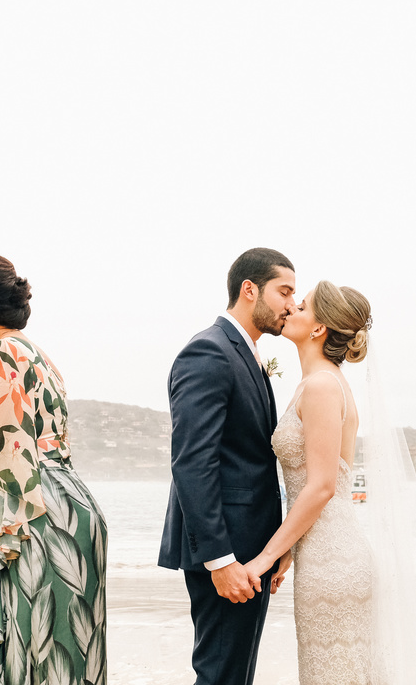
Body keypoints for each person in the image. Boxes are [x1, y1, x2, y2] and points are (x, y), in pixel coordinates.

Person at [0, 252, 108, 685]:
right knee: (68, 655)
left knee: (30, 652)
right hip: (72, 507)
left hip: (34, 516)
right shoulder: (36, 353)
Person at [158, 247, 296, 685]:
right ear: (249, 289)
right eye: (284, 291)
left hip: (250, 549)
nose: (292, 304)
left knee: (233, 674)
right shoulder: (209, 351)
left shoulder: (247, 353)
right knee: (220, 674)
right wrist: (220, 561)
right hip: (226, 554)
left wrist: (273, 547)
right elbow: (192, 462)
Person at [244, 281, 374, 684]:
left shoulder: (320, 387)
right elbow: (331, 481)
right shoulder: (328, 383)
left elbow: (322, 487)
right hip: (329, 552)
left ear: (319, 329)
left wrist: (265, 557)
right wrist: (292, 552)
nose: (289, 311)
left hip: (332, 564)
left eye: (300, 307)